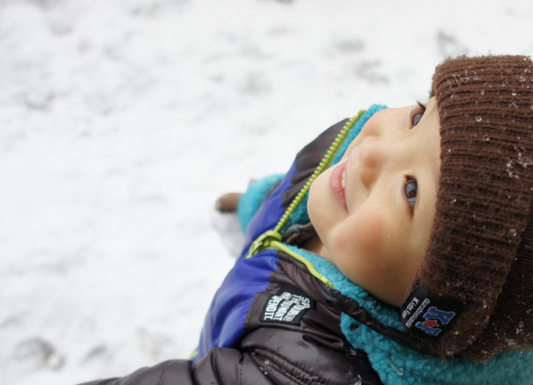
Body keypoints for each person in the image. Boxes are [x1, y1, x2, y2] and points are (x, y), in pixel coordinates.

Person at [81, 55, 533, 385]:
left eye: (410, 190)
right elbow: (296, 193)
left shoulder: (308, 373)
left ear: (432, 306)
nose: (373, 148)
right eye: (418, 115)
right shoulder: (350, 172)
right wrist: (253, 206)